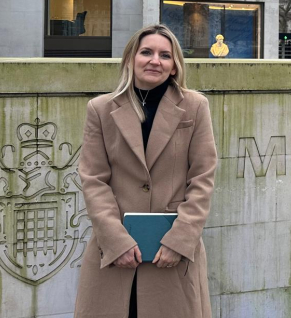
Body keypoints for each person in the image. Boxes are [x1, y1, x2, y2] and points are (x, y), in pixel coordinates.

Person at [75, 24, 218, 318]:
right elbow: (93, 180)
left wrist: (180, 240)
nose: (155, 60)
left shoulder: (195, 107)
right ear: (131, 59)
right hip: (115, 254)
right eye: (147, 52)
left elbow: (203, 178)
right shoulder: (100, 109)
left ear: (175, 66)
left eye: (165, 55)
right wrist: (116, 241)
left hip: (173, 254)